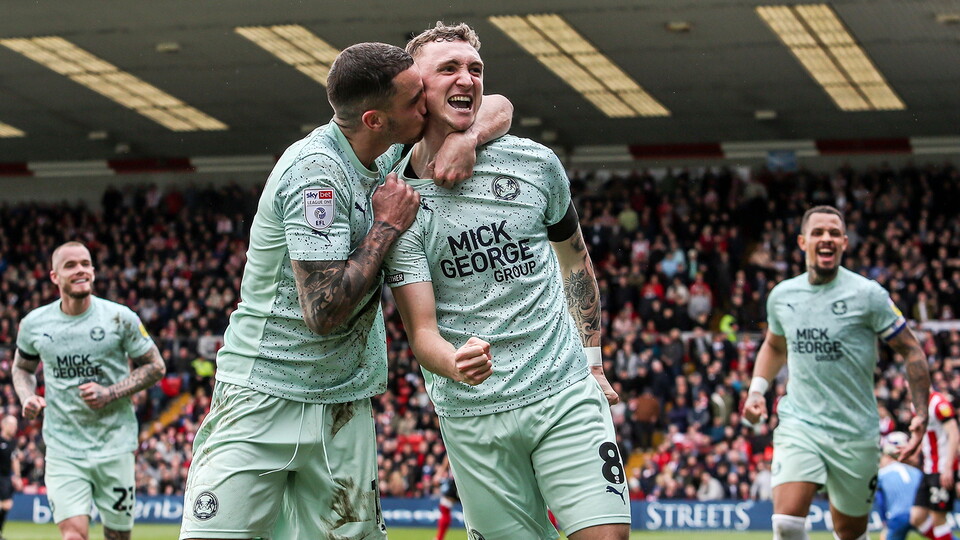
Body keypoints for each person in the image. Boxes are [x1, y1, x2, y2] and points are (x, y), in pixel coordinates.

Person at [179, 41, 511, 540]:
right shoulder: (317, 173)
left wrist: (469, 139)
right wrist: (385, 226)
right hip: (266, 392)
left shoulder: (387, 151)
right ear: (376, 119)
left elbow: (499, 105)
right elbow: (323, 310)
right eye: (415, 99)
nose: (427, 106)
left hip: (344, 399)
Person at [385, 22, 629, 540]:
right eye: (448, 69)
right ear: (415, 91)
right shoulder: (398, 201)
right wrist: (454, 361)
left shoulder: (536, 164)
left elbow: (575, 261)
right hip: (473, 414)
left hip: (562, 391)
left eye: (475, 69)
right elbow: (420, 330)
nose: (467, 79)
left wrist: (593, 362)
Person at [743, 205, 930, 540]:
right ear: (803, 242)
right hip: (800, 423)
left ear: (844, 242)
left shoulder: (869, 295)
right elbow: (773, 346)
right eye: (818, 232)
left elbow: (911, 350)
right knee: (786, 525)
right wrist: (757, 389)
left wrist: (921, 411)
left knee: (849, 533)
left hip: (855, 432)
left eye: (833, 233)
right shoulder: (782, 296)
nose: (825, 238)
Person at [13, 241, 166, 540]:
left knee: (118, 536)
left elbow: (156, 366)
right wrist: (26, 396)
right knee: (73, 535)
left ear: (93, 271)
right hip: (63, 447)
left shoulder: (120, 318)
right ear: (54, 276)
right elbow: (21, 369)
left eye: (85, 263)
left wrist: (110, 393)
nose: (80, 269)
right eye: (70, 265)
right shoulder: (34, 324)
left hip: (115, 443)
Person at [909, 391, 959, 540]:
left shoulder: (939, 403)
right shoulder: (915, 405)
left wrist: (948, 467)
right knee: (917, 517)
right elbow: (922, 434)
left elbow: (954, 433)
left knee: (938, 519)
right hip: (927, 469)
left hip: (942, 468)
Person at [876, 432, 922, 540]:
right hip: (920, 514)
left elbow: (880, 500)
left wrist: (884, 521)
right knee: (941, 534)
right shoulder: (917, 472)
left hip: (897, 517)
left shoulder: (882, 474)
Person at [0, 416, 21, 540]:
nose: (14, 428)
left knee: (7, 505)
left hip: (6, 477)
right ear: (4, 425)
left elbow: (15, 460)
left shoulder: (13, 443)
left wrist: (17, 477)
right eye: (12, 425)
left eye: (16, 425)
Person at [435, 473, 460, 540]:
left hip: (448, 498)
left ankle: (439, 537)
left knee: (446, 517)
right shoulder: (456, 481)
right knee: (445, 516)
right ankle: (439, 537)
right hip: (448, 498)